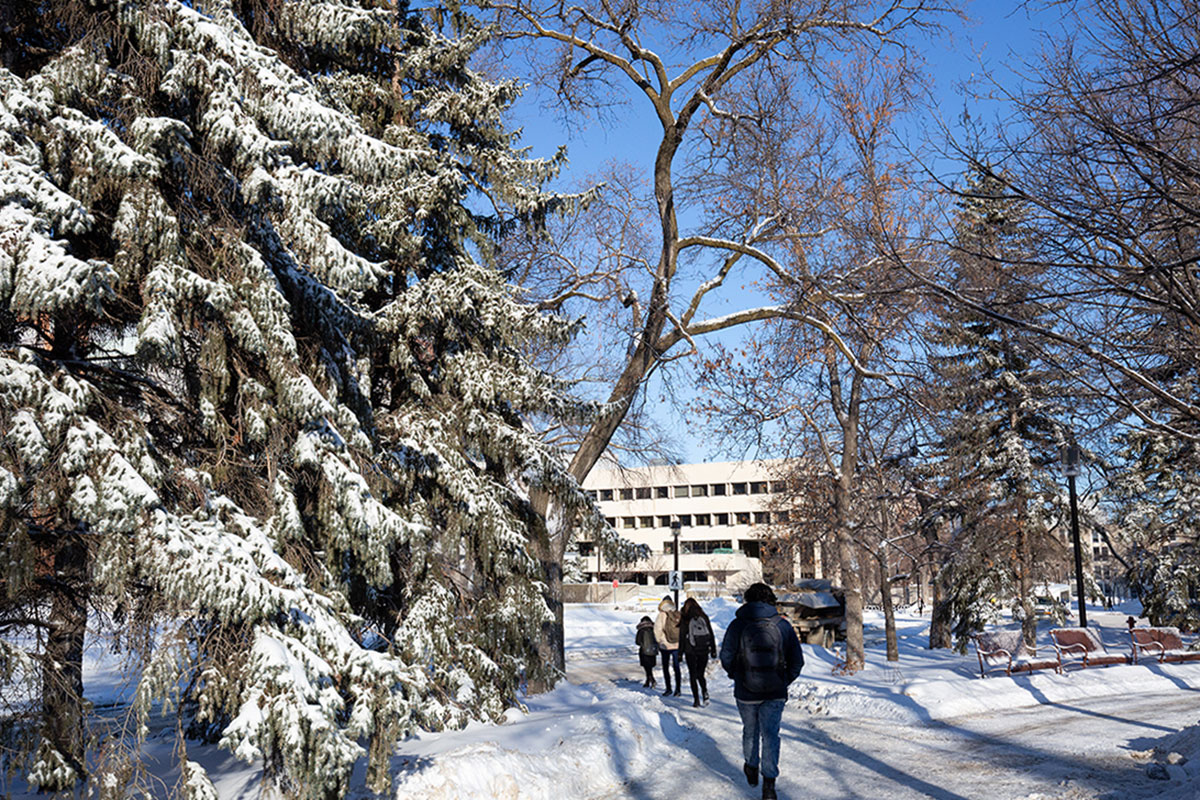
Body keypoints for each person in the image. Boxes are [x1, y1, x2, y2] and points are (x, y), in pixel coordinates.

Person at [719, 583, 803, 800]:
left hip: (745, 691)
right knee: (771, 735)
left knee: (750, 730)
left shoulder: (737, 625)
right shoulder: (782, 625)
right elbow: (797, 661)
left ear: (748, 599)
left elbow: (726, 657)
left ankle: (751, 765)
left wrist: (737, 675)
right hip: (775, 691)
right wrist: (784, 680)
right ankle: (769, 784)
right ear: (770, 599)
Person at [678, 597, 717, 707]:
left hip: (690, 650)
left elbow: (681, 637)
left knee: (692, 674)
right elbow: (710, 633)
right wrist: (713, 649)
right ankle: (704, 691)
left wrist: (680, 653)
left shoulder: (685, 618)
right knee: (700, 674)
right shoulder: (703, 617)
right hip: (703, 649)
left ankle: (696, 699)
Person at [654, 595, 682, 696]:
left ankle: (668, 688)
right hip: (677, 644)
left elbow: (657, 629)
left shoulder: (661, 614)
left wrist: (659, 641)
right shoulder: (677, 613)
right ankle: (678, 689)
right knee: (676, 667)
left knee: (666, 667)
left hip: (665, 646)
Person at [635, 616, 658, 688]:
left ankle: (652, 680)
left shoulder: (641, 630)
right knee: (649, 667)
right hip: (653, 651)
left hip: (644, 651)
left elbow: (637, 642)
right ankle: (648, 681)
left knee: (647, 668)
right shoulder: (654, 629)